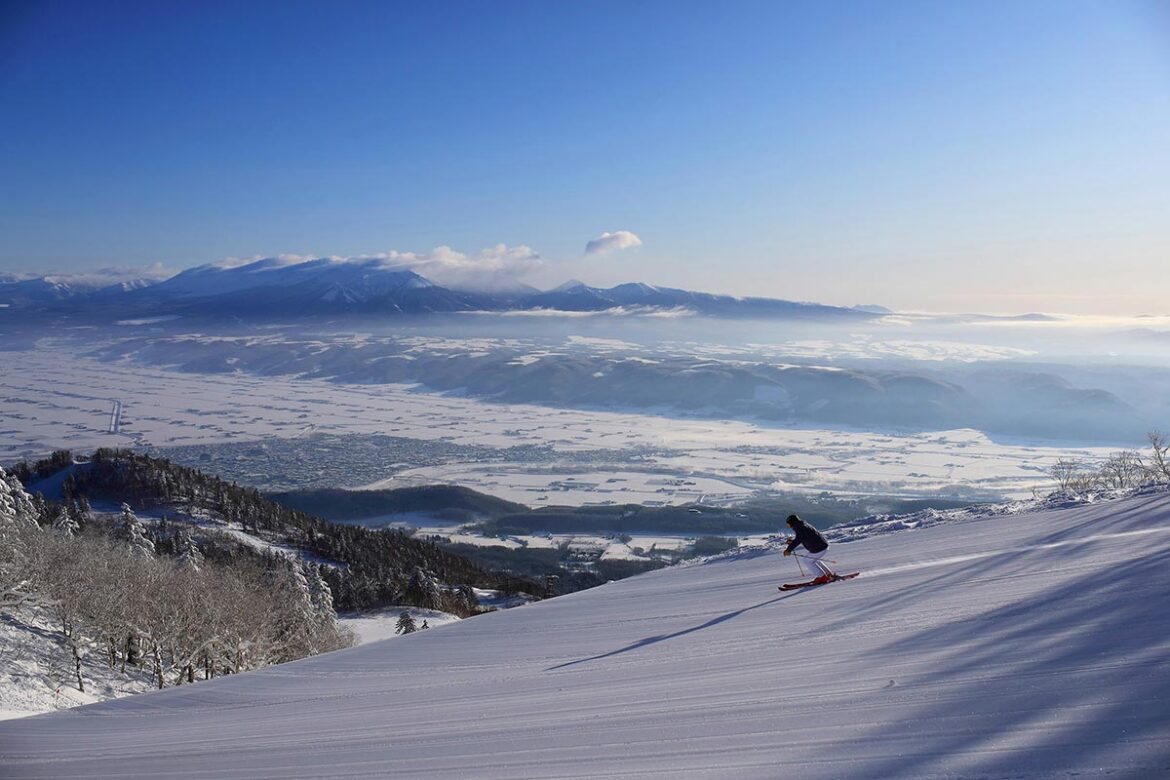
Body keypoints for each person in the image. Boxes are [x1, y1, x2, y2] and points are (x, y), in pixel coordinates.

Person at [783, 514, 836, 584]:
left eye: (788, 524)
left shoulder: (799, 527)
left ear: (791, 522)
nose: (788, 526)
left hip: (819, 548)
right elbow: (803, 537)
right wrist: (792, 542)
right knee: (813, 560)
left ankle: (822, 577)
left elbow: (799, 539)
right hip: (823, 545)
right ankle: (829, 574)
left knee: (807, 561)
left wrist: (788, 550)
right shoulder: (802, 525)